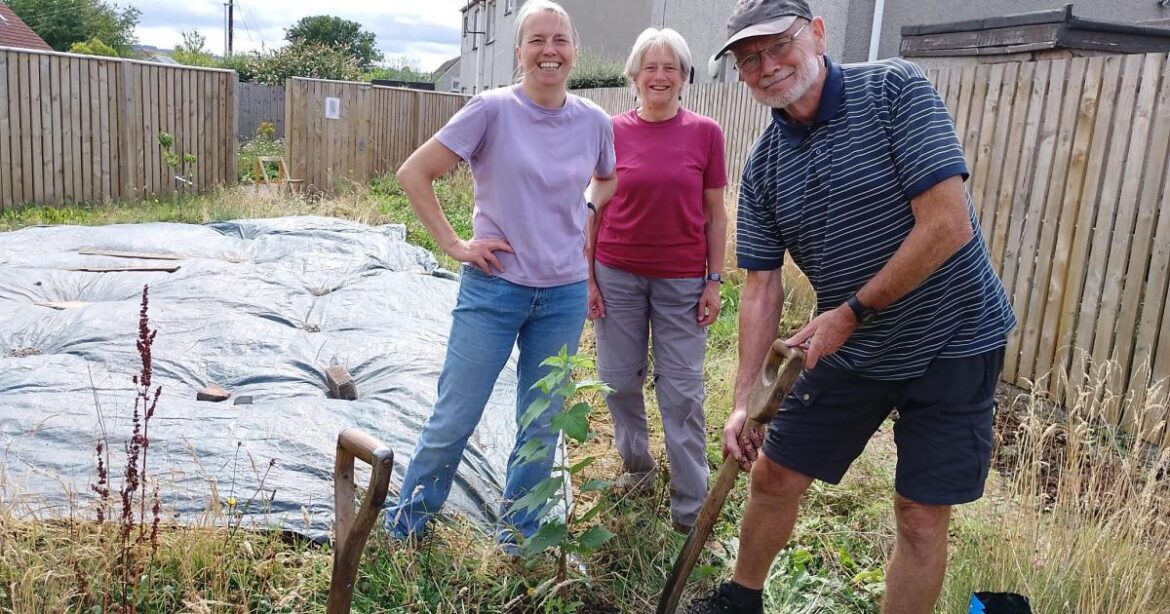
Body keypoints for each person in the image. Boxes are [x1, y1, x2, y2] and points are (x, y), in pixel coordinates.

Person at [687, 0, 1016, 612]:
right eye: (748, 59)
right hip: (854, 342)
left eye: (777, 46)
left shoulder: (894, 90)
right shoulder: (763, 168)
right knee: (774, 473)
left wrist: (849, 313)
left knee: (918, 515)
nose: (766, 67)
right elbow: (760, 288)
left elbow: (946, 226)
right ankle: (740, 600)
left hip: (955, 336)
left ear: (817, 33)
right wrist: (741, 404)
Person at [387, 0, 617, 545]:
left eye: (560, 40)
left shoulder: (594, 121)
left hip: (562, 293)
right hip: (493, 289)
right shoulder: (491, 109)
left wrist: (586, 208)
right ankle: (408, 529)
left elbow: (607, 179)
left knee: (541, 422)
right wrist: (454, 244)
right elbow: (414, 173)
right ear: (519, 52)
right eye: (537, 40)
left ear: (574, 52)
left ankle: (519, 535)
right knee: (455, 416)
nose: (549, 50)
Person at [586, 27, 728, 535]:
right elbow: (593, 210)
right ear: (634, 75)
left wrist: (714, 280)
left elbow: (715, 213)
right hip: (616, 275)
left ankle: (691, 507)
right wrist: (589, 279)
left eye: (671, 67)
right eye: (651, 66)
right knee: (619, 380)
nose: (661, 76)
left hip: (683, 283)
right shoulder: (610, 130)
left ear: (685, 77)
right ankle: (638, 470)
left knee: (683, 392)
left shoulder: (705, 132)